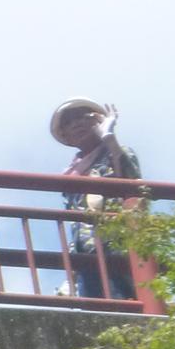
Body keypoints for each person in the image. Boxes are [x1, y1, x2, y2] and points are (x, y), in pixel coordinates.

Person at [50, 97, 143, 301]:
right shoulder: (71, 173)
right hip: (85, 253)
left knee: (123, 304)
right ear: (65, 135)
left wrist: (108, 136)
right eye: (68, 122)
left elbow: (131, 182)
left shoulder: (116, 153)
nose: (76, 124)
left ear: (98, 120)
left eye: (83, 117)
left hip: (116, 246)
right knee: (96, 306)